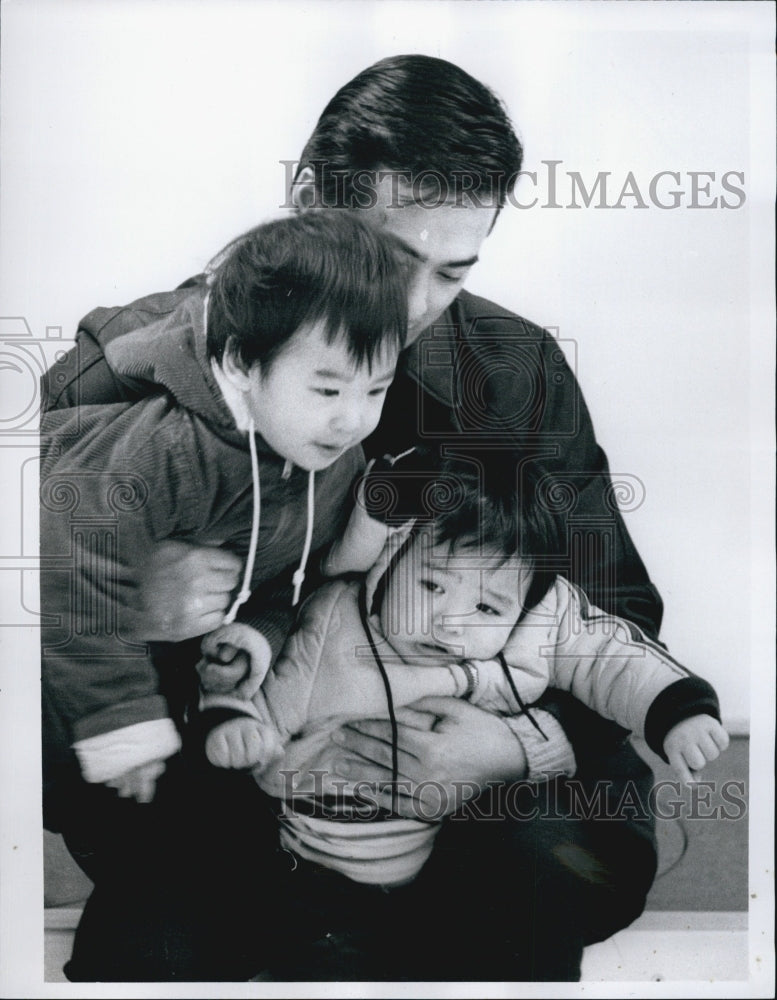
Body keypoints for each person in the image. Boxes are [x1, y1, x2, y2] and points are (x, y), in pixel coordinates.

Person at [42, 55, 673, 981]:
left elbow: (621, 615)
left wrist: (507, 746)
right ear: (305, 198)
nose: (411, 308)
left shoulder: (516, 367)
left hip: (481, 800)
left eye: (451, 273)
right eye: (387, 258)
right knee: (154, 946)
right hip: (242, 786)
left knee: (546, 870)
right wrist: (125, 606)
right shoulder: (130, 365)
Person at [197, 455, 726, 900]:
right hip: (313, 849)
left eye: (488, 607)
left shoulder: (532, 627)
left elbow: (607, 657)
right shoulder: (336, 624)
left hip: (448, 852)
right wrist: (240, 728)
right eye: (430, 586)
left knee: (487, 897)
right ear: (388, 560)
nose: (451, 620)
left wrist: (677, 711)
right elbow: (267, 694)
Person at [40, 211, 406, 822]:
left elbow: (298, 567)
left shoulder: (331, 457)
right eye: (328, 390)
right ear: (240, 364)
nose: (354, 419)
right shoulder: (176, 448)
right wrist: (121, 720)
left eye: (376, 390)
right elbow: (66, 557)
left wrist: (256, 631)